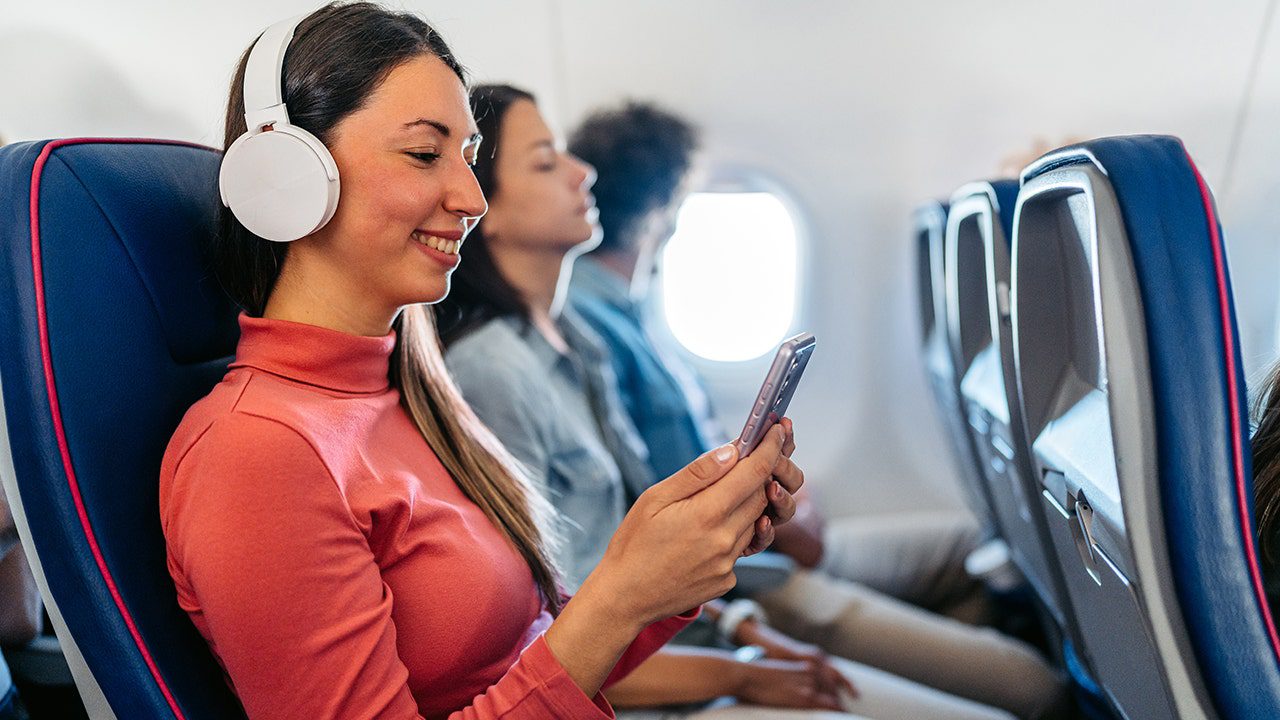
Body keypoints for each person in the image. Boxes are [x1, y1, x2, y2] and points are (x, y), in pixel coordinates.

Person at [160, 6, 801, 719]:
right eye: (425, 154)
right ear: (289, 173)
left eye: (469, 159)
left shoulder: (411, 384)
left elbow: (539, 656)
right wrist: (622, 591)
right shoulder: (258, 455)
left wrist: (669, 566)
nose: (470, 200)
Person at [438, 83, 1027, 720]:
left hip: (695, 627)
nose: (584, 174)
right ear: (481, 207)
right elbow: (561, 630)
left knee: (1006, 658)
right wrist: (741, 670)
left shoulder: (575, 341)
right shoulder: (490, 374)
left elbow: (644, 549)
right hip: (650, 691)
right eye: (547, 162)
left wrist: (746, 633)